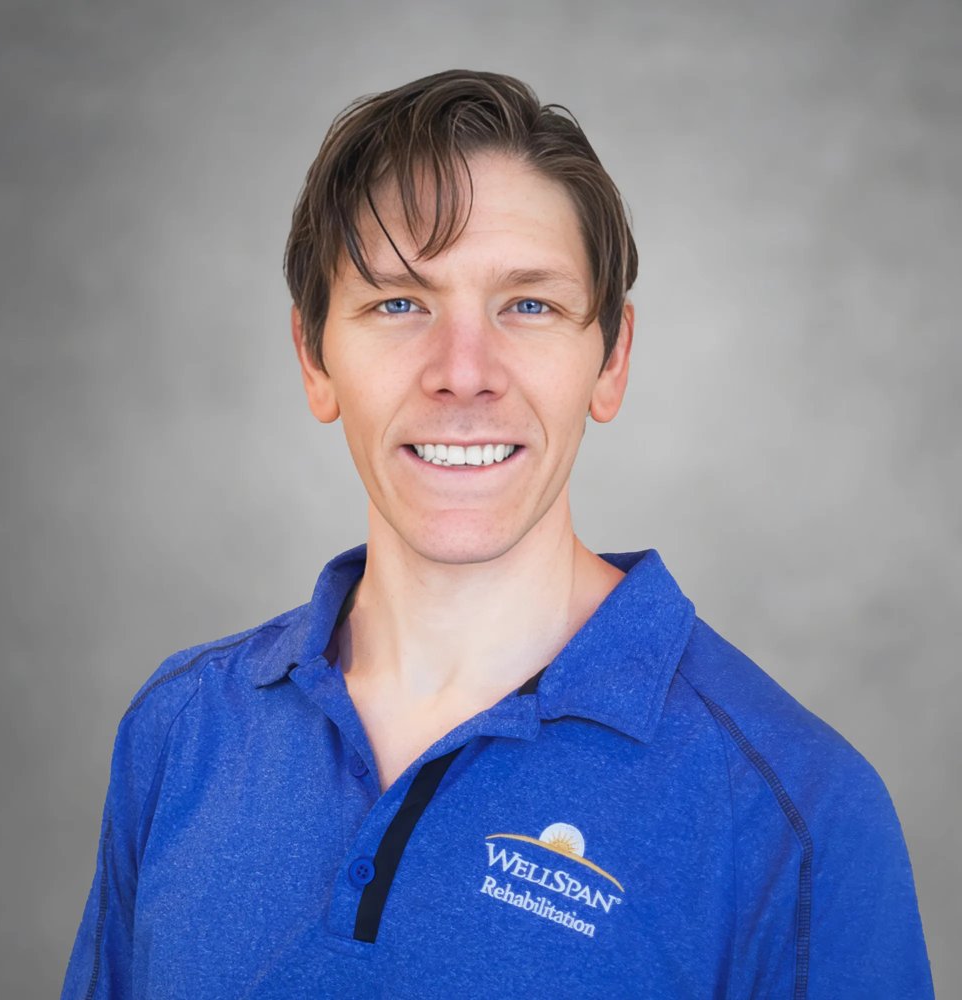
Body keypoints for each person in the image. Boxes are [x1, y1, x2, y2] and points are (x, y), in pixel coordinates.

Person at [61, 70, 934, 999]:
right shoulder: (182, 730)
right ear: (315, 358)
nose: (463, 372)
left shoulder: (799, 815)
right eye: (399, 303)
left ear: (611, 360)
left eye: (529, 305)